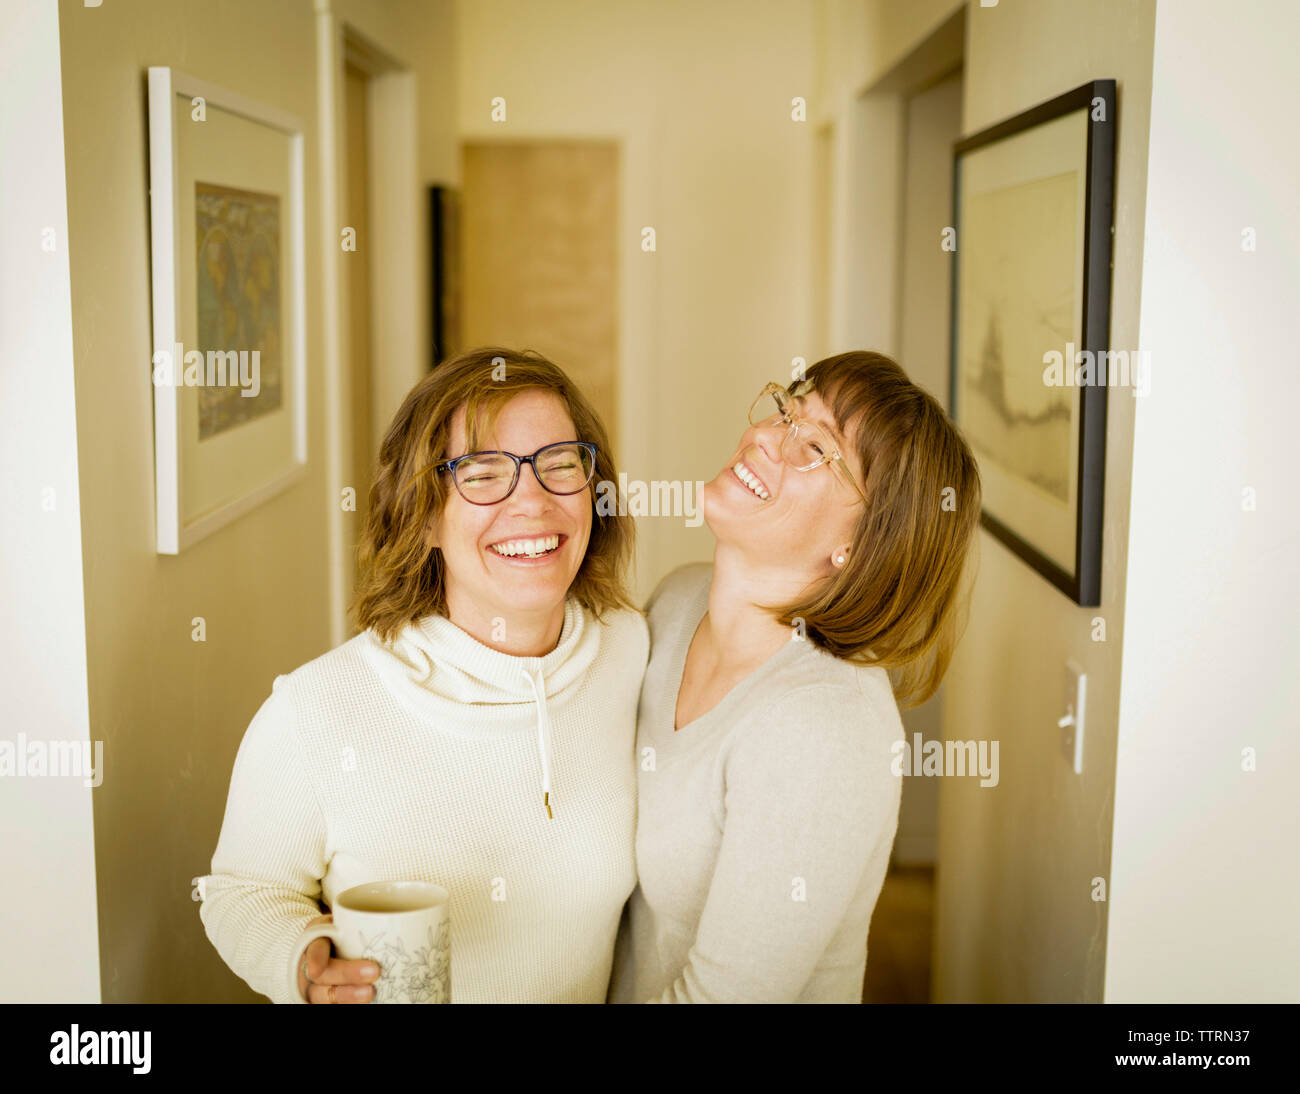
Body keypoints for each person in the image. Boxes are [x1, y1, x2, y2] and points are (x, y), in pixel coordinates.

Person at [196, 347, 647, 1003]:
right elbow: (240, 891)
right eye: (484, 473)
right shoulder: (317, 710)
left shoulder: (631, 651)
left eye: (558, 464)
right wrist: (302, 962)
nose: (533, 503)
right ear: (425, 515)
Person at [608, 350, 981, 1003]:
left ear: (862, 545)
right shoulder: (675, 603)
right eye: (787, 409)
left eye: (813, 446)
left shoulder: (825, 726)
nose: (763, 437)